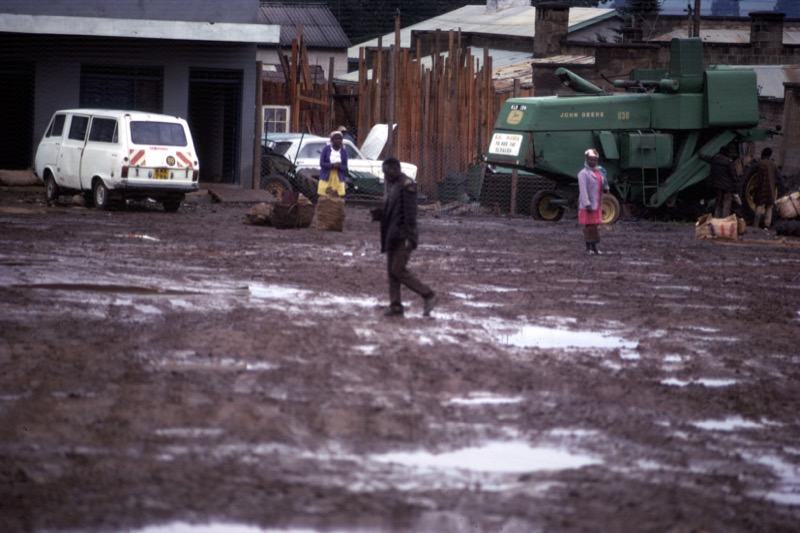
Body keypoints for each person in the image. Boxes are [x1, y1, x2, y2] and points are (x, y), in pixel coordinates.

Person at [370, 157, 437, 317]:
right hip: (393, 236)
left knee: (397, 269)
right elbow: (394, 211)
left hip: (403, 237)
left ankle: (428, 294)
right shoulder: (395, 186)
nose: (385, 176)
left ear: (395, 169)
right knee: (391, 272)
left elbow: (410, 215)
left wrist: (408, 238)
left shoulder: (407, 186)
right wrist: (379, 215)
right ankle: (396, 306)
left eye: (387, 173)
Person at [577, 148, 607, 255]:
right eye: (591, 160)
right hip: (588, 205)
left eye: (595, 160)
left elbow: (602, 184)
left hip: (597, 203)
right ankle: (588, 248)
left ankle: (594, 247)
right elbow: (583, 190)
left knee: (595, 226)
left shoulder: (599, 172)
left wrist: (605, 188)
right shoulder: (583, 174)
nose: (593, 162)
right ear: (587, 159)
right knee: (589, 226)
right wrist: (587, 204)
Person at [745, 147, 781, 229]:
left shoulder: (760, 164)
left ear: (763, 154)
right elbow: (776, 178)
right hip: (771, 190)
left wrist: (754, 189)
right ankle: (767, 225)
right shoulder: (774, 164)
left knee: (758, 206)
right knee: (769, 207)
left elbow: (758, 179)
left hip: (761, 189)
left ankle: (756, 224)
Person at [699, 147, 739, 218]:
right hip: (728, 187)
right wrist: (736, 190)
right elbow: (734, 176)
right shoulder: (729, 162)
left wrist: (699, 154)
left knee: (718, 203)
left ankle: (716, 218)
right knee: (726, 204)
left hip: (717, 186)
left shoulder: (714, 159)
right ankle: (724, 220)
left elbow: (705, 158)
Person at [318, 130, 348, 198]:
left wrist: (339, 166)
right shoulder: (326, 149)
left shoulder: (344, 151)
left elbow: (345, 167)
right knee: (324, 196)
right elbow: (322, 164)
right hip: (326, 177)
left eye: (340, 139)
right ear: (332, 140)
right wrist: (332, 165)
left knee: (338, 197)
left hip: (338, 178)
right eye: (336, 138)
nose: (338, 140)